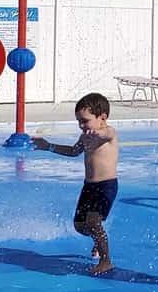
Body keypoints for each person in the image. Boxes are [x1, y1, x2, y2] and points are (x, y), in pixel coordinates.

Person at [32, 93, 119, 276]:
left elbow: (105, 134)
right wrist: (48, 146)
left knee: (93, 221)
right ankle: (98, 239)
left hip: (106, 186)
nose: (81, 125)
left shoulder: (109, 133)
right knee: (80, 226)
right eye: (79, 121)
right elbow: (73, 151)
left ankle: (106, 261)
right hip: (89, 187)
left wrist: (98, 133)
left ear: (103, 117)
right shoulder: (85, 136)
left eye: (85, 121)